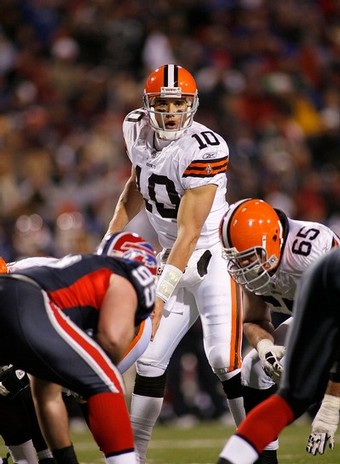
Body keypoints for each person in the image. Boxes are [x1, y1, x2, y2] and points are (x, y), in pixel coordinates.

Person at [106, 63, 245, 463]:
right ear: (149, 105)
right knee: (149, 360)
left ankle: (259, 450)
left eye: (179, 104)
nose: (170, 112)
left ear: (193, 105)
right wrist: (111, 238)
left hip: (212, 256)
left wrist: (161, 294)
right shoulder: (135, 128)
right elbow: (138, 183)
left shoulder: (205, 147)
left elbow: (188, 233)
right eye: (163, 104)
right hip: (172, 256)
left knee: (223, 359)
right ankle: (135, 457)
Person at [0, 232, 157, 464]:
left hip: (37, 311)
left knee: (43, 390)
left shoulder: (97, 272)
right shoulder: (127, 274)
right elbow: (112, 339)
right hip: (38, 310)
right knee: (103, 380)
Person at [218, 200, 340, 464]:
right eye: (237, 260)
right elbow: (253, 319)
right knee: (254, 367)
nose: (243, 268)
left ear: (273, 239)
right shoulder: (253, 262)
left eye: (248, 258)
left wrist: (332, 403)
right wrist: (265, 347)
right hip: (317, 320)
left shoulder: (310, 253)